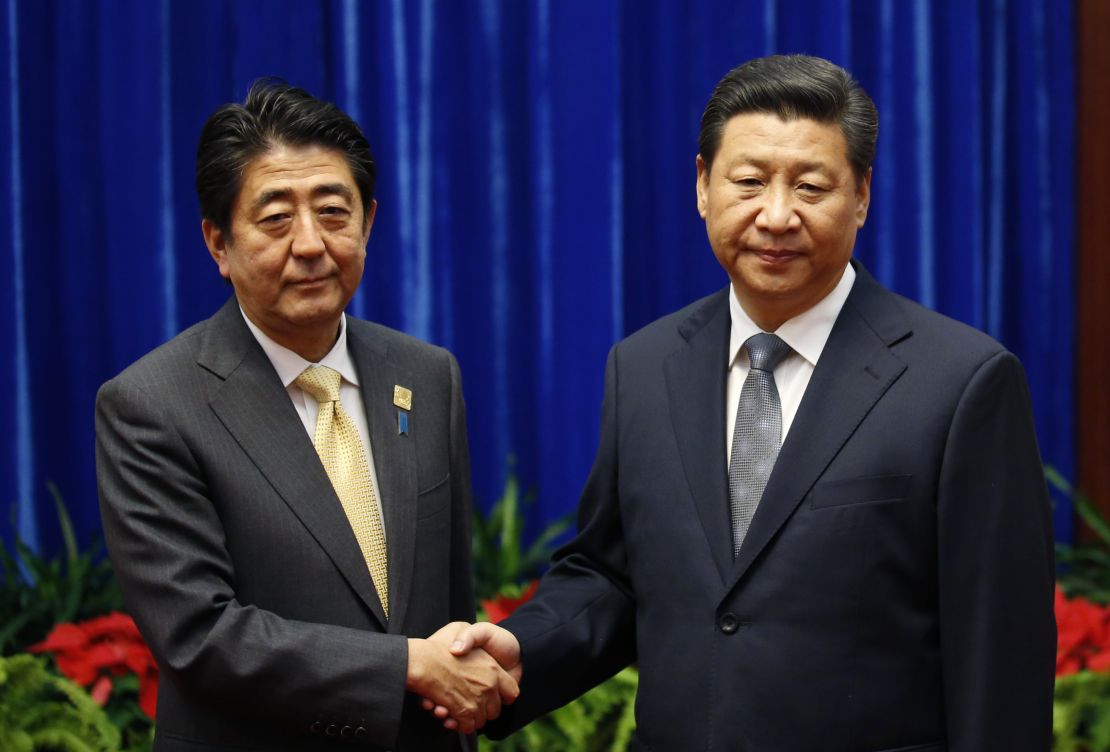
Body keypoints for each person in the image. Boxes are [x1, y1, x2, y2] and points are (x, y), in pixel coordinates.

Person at [446, 54, 1056, 751]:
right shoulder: (644, 367)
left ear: (861, 194)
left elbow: (1000, 650)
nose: (776, 215)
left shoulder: (962, 380)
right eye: (749, 181)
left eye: (810, 186)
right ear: (703, 186)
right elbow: (613, 574)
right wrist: (522, 652)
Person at [95, 81, 517, 752]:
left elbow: (448, 606)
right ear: (217, 243)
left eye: (332, 211)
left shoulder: (427, 375)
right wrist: (406, 666)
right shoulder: (152, 404)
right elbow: (200, 638)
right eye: (275, 219)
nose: (312, 243)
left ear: (368, 222)